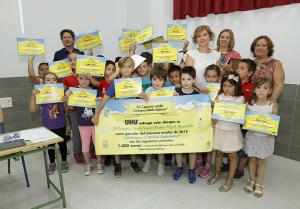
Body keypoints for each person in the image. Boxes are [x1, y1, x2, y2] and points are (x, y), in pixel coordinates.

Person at [92, 57, 143, 178]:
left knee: (133, 140)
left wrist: (144, 96)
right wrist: (97, 114)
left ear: (132, 68)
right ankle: (118, 164)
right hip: (118, 116)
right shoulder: (116, 83)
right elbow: (105, 99)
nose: (126, 69)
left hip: (132, 116)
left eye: (129, 66)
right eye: (124, 67)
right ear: (120, 69)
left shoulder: (136, 82)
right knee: (117, 140)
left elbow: (142, 98)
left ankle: (133, 162)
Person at [207, 71, 244, 192]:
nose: (227, 88)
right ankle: (217, 174)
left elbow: (242, 115)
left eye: (230, 86)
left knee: (232, 156)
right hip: (219, 130)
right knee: (218, 154)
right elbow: (215, 113)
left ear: (236, 86)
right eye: (225, 85)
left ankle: (230, 180)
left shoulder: (241, 99)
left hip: (232, 131)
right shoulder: (219, 96)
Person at [244, 77, 278, 198]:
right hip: (252, 137)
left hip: (265, 138)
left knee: (262, 161)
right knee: (252, 159)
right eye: (258, 87)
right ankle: (252, 180)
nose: (261, 91)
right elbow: (245, 120)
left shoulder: (272, 105)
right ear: (254, 90)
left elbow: (274, 122)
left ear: (270, 90)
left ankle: (258, 184)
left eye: (265, 88)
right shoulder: (250, 104)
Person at [29, 72, 68, 174]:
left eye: (53, 79)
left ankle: (64, 161)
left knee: (62, 144)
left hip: (61, 124)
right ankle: (52, 163)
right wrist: (33, 96)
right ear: (44, 81)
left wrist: (66, 101)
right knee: (50, 146)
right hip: (48, 125)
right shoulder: (41, 93)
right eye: (48, 79)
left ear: (57, 81)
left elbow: (67, 109)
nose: (51, 81)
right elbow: (33, 109)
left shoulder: (60, 93)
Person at [66, 74, 103, 176]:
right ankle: (88, 164)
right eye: (81, 78)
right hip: (83, 123)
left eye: (86, 78)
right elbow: (71, 107)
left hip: (95, 123)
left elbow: (100, 107)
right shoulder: (74, 91)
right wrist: (69, 96)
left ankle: (99, 163)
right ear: (77, 79)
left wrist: (100, 101)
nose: (84, 81)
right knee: (85, 145)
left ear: (90, 79)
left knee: (97, 144)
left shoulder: (94, 92)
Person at [142, 66, 171, 176]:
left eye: (160, 79)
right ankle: (148, 162)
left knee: (160, 146)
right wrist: (143, 98)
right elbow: (143, 105)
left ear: (164, 80)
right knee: (149, 144)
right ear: (151, 80)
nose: (157, 82)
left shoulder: (167, 91)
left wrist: (176, 97)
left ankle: (160, 164)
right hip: (149, 122)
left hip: (162, 123)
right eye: (154, 79)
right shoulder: (148, 91)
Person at [172, 66, 199, 183]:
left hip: (192, 127)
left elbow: (201, 110)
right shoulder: (175, 92)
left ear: (194, 80)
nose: (186, 82)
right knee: (178, 147)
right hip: (178, 125)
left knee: (192, 148)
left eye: (188, 79)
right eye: (183, 79)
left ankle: (191, 169)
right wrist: (172, 98)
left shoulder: (197, 94)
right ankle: (179, 167)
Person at [234, 59, 257, 179]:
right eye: (238, 67)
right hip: (233, 121)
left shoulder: (252, 87)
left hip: (244, 122)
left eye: (242, 68)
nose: (238, 70)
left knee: (243, 147)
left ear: (250, 73)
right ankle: (231, 164)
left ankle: (240, 168)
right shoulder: (232, 83)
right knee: (233, 144)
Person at [197, 64, 221, 178]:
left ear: (218, 77)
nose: (211, 79)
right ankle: (198, 160)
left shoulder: (220, 90)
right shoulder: (201, 88)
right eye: (208, 76)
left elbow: (220, 107)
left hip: (213, 120)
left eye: (214, 76)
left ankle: (207, 165)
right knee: (200, 139)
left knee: (209, 143)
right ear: (205, 77)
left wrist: (212, 101)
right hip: (201, 118)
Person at [250, 35, 285, 104]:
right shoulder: (250, 63)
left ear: (269, 49)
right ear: (253, 48)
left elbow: (278, 85)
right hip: (249, 102)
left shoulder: (276, 64)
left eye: (264, 45)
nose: (260, 47)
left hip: (266, 102)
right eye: (257, 45)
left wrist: (270, 102)